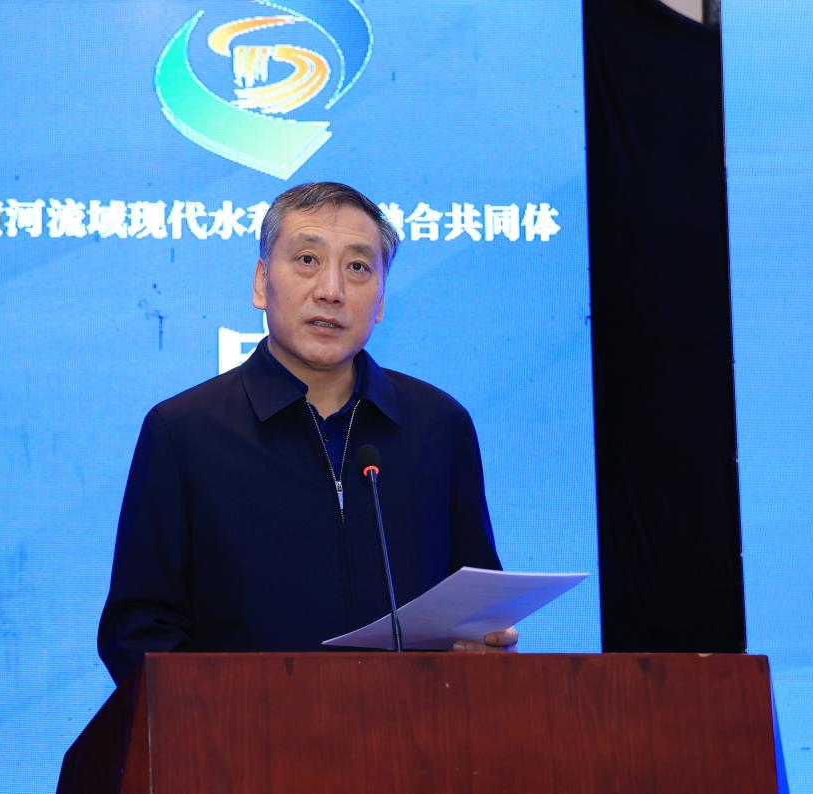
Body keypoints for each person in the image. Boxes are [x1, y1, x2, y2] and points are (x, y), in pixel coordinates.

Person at [98, 182, 517, 684]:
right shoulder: (184, 431)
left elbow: (477, 605)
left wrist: (485, 645)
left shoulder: (439, 425)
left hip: (413, 725)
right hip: (243, 729)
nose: (331, 291)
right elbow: (138, 633)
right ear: (261, 283)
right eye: (307, 260)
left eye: (358, 268)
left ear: (380, 300)